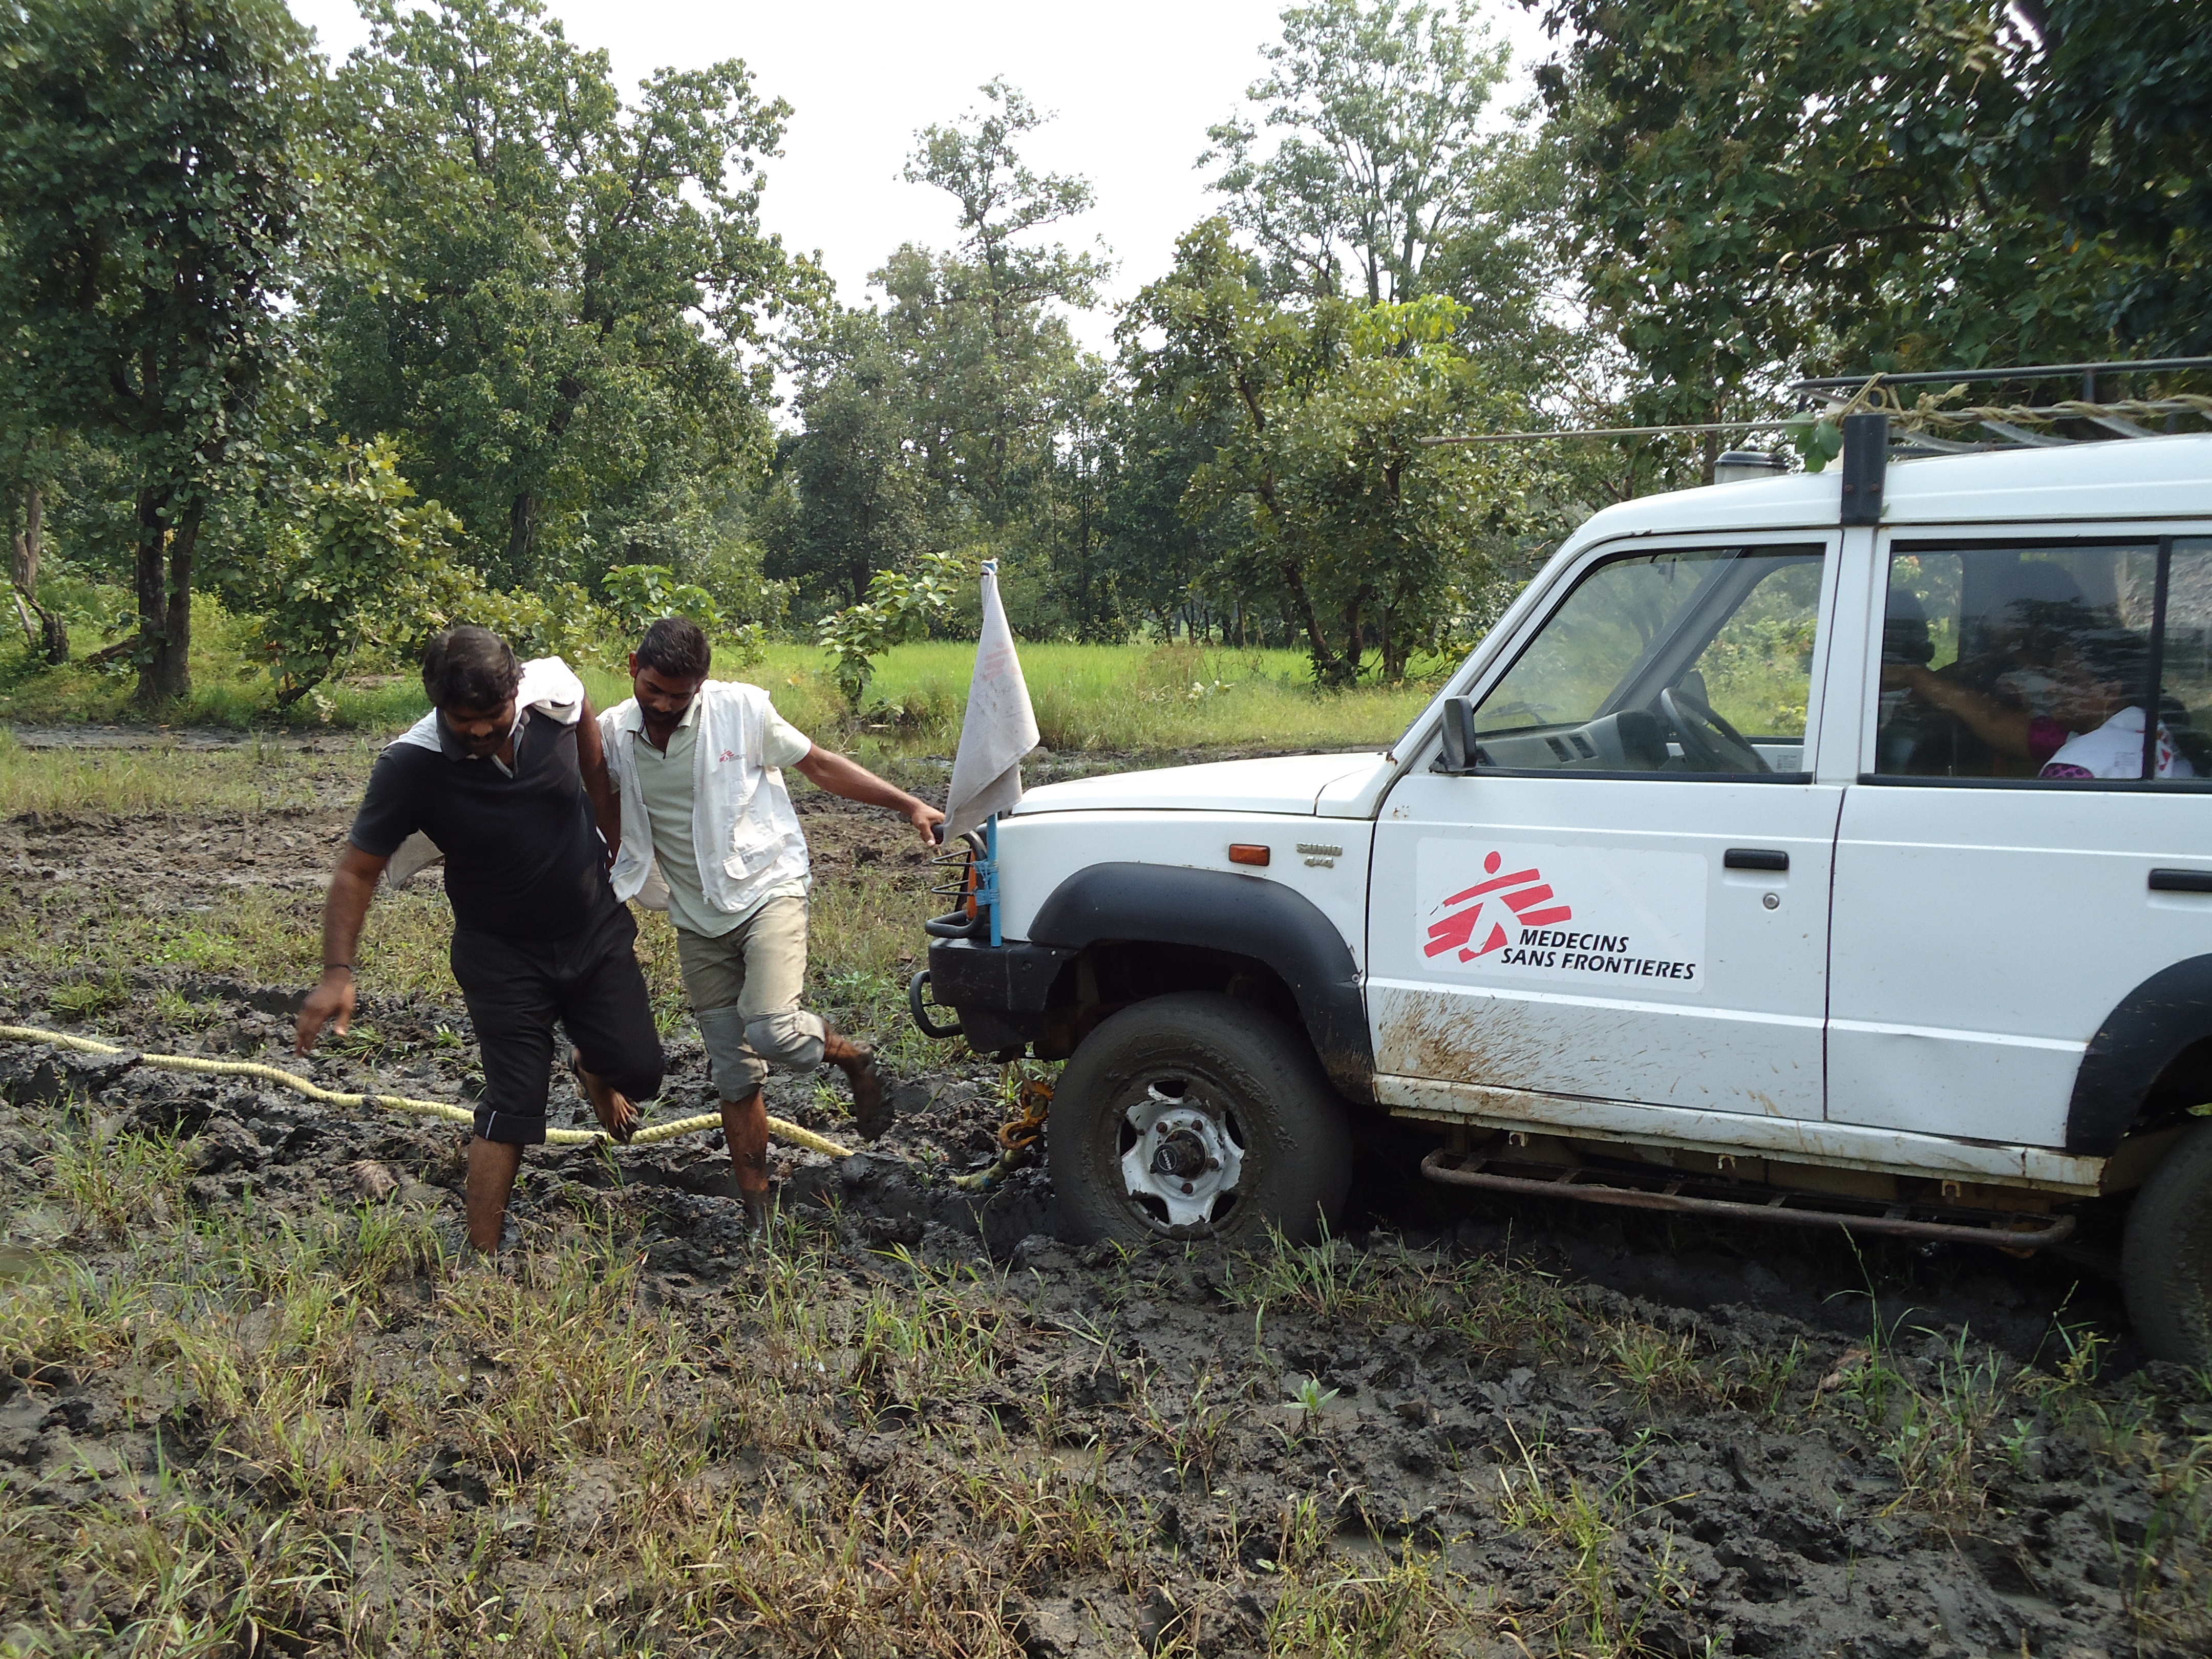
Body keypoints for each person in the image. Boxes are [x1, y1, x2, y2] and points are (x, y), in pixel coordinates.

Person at [295, 626, 664, 1253]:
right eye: (462, 720)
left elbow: (595, 765)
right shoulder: (410, 766)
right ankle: (482, 1254)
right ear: (437, 703)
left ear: (515, 692)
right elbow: (357, 869)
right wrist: (337, 972)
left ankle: (588, 1064)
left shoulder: (555, 698)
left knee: (643, 1072)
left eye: (492, 716)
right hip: (501, 955)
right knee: (516, 1103)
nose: (479, 731)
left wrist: (613, 845)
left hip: (592, 930)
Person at [599, 616, 944, 1224]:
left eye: (680, 697)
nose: (664, 706)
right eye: (653, 689)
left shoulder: (742, 712)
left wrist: (908, 804)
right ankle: (759, 1213)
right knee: (733, 1076)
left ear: (701, 686)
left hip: (767, 892)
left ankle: (851, 1057)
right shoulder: (611, 735)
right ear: (633, 667)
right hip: (695, 918)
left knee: (771, 1029)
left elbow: (820, 765)